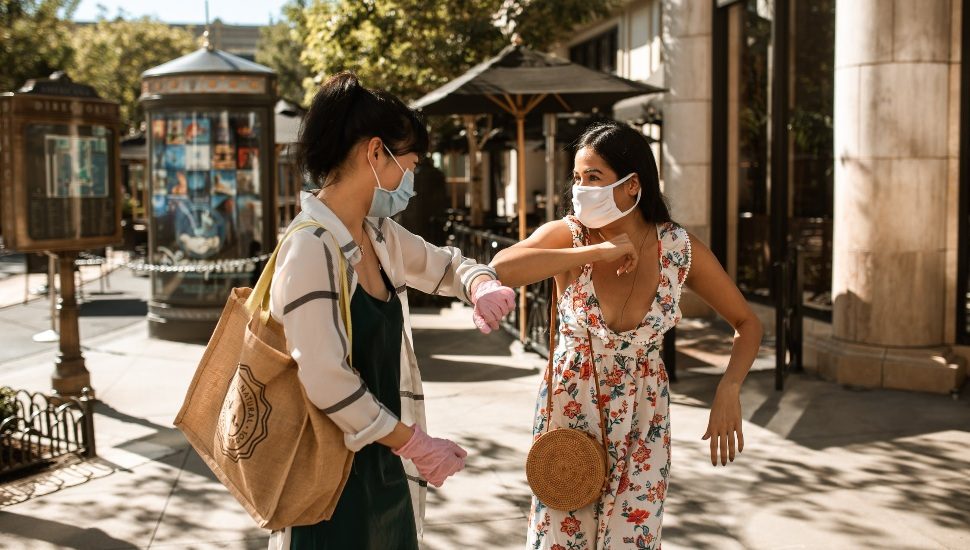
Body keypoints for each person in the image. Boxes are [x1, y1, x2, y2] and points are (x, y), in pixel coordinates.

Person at [267, 72, 516, 550]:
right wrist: (415, 443)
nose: (413, 179)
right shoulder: (309, 250)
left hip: (385, 472)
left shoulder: (378, 234)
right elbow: (325, 379)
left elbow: (445, 266)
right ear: (376, 153)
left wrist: (479, 284)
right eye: (412, 162)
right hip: (329, 488)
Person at [490, 121, 763, 549]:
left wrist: (729, 388)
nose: (580, 189)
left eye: (593, 177)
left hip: (644, 417)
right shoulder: (571, 233)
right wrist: (596, 251)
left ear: (633, 185)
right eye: (577, 178)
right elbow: (501, 268)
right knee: (561, 539)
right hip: (572, 411)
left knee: (631, 539)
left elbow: (748, 323)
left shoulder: (677, 247)